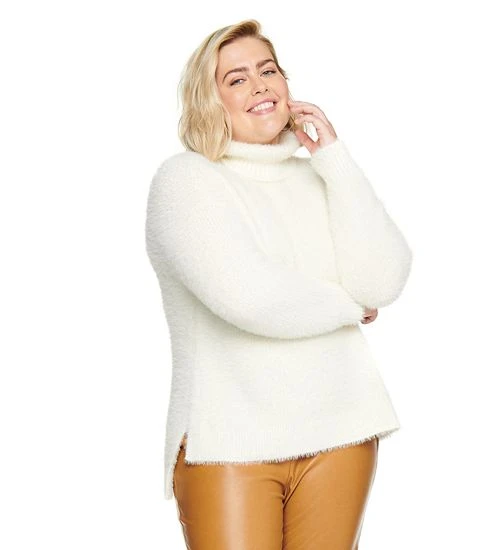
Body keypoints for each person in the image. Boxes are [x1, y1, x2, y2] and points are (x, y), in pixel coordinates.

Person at [145, 18, 413, 550]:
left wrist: (333, 157)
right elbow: (248, 295)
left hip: (342, 430)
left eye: (268, 70)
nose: (259, 85)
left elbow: (381, 278)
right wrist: (348, 307)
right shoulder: (186, 181)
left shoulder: (320, 177)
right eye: (236, 78)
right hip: (228, 441)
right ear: (209, 101)